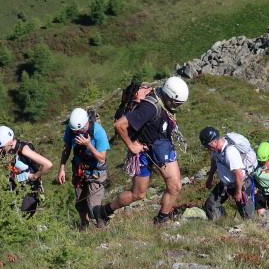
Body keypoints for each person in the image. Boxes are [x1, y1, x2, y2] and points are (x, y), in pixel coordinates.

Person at [93, 76, 189, 225]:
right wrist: (132, 146)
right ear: (169, 97)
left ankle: (161, 220)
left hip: (161, 147)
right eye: (177, 103)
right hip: (143, 153)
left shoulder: (165, 103)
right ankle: (103, 212)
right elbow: (119, 125)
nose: (179, 106)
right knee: (138, 194)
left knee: (175, 186)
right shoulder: (150, 108)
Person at [57, 108, 110, 228]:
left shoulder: (98, 131)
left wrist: (88, 145)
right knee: (81, 201)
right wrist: (62, 169)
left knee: (93, 206)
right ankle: (84, 225)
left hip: (96, 172)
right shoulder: (71, 129)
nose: (77, 133)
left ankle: (101, 228)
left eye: (79, 130)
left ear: (86, 123)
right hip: (79, 170)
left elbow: (101, 158)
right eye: (75, 131)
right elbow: (67, 148)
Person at [0, 126, 53, 216]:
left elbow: (48, 164)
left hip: (29, 189)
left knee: (25, 216)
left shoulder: (24, 150)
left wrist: (34, 176)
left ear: (8, 142)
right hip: (17, 187)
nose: (0, 150)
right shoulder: (9, 150)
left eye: (1, 147)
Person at [200, 127, 257, 220]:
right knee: (211, 205)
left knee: (247, 215)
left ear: (215, 141)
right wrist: (210, 178)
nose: (207, 148)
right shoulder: (215, 150)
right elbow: (214, 161)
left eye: (208, 145)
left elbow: (239, 175)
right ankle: (221, 224)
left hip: (241, 184)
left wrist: (238, 192)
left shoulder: (230, 152)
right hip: (225, 184)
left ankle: (250, 229)